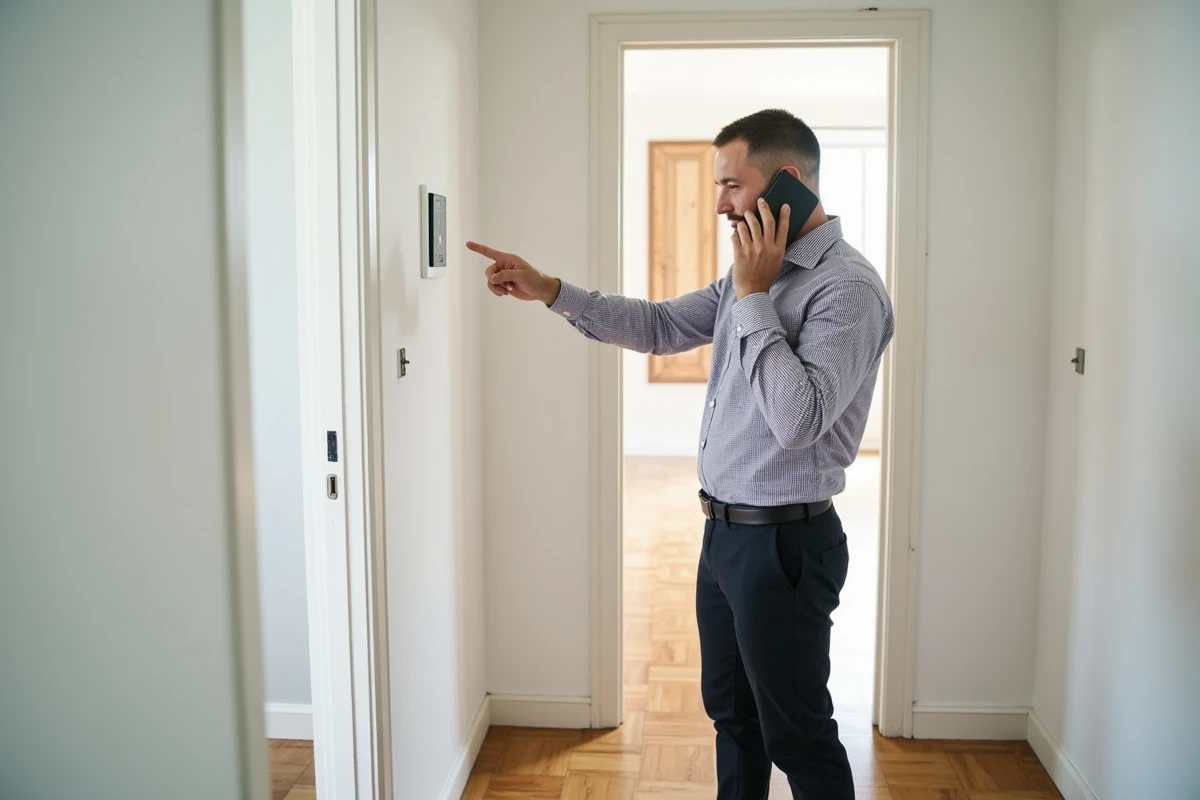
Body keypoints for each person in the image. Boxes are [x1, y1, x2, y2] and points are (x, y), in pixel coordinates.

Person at [467, 108, 894, 800]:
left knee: (799, 736)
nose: (721, 202)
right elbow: (663, 325)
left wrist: (754, 297)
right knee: (734, 718)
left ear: (787, 182)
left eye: (732, 184)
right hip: (724, 538)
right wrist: (550, 290)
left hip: (786, 545)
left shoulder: (846, 288)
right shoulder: (752, 273)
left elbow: (799, 420)